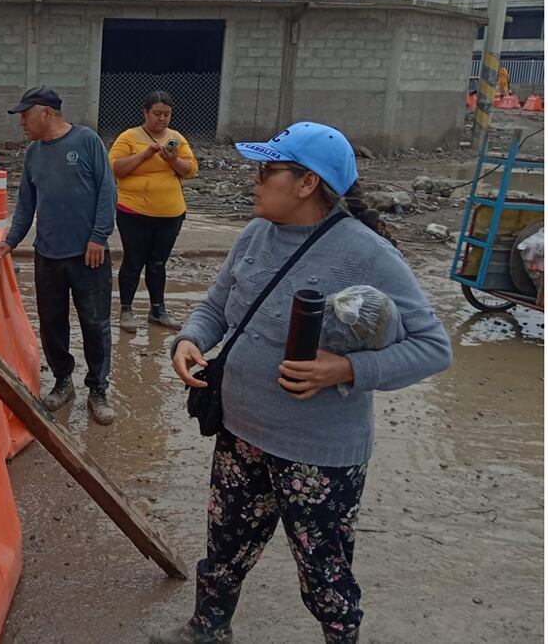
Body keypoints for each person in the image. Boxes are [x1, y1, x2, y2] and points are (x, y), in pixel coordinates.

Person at [153, 122, 453, 644]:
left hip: (318, 453)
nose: (255, 179)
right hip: (240, 432)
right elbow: (217, 306)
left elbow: (433, 347)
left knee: (324, 571)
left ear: (307, 183)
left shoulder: (367, 254)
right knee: (225, 546)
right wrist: (188, 339)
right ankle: (208, 628)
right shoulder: (255, 234)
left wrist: (347, 370)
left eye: (267, 170)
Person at [0, 86, 119, 425]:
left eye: (25, 115)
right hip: (48, 255)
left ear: (45, 112)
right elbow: (27, 203)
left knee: (95, 324)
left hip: (89, 255)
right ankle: (63, 381)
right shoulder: (33, 153)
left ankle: (98, 390)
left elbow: (107, 191)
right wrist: (10, 241)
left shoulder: (87, 141)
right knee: (52, 323)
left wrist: (98, 237)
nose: (22, 123)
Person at [109, 90, 199, 333]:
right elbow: (116, 167)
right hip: (134, 212)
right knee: (133, 260)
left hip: (170, 214)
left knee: (158, 263)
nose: (162, 119)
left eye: (167, 114)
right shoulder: (129, 136)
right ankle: (126, 310)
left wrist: (172, 160)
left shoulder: (176, 138)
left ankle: (158, 310)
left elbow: (191, 169)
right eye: (157, 113)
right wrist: (145, 154)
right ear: (145, 113)